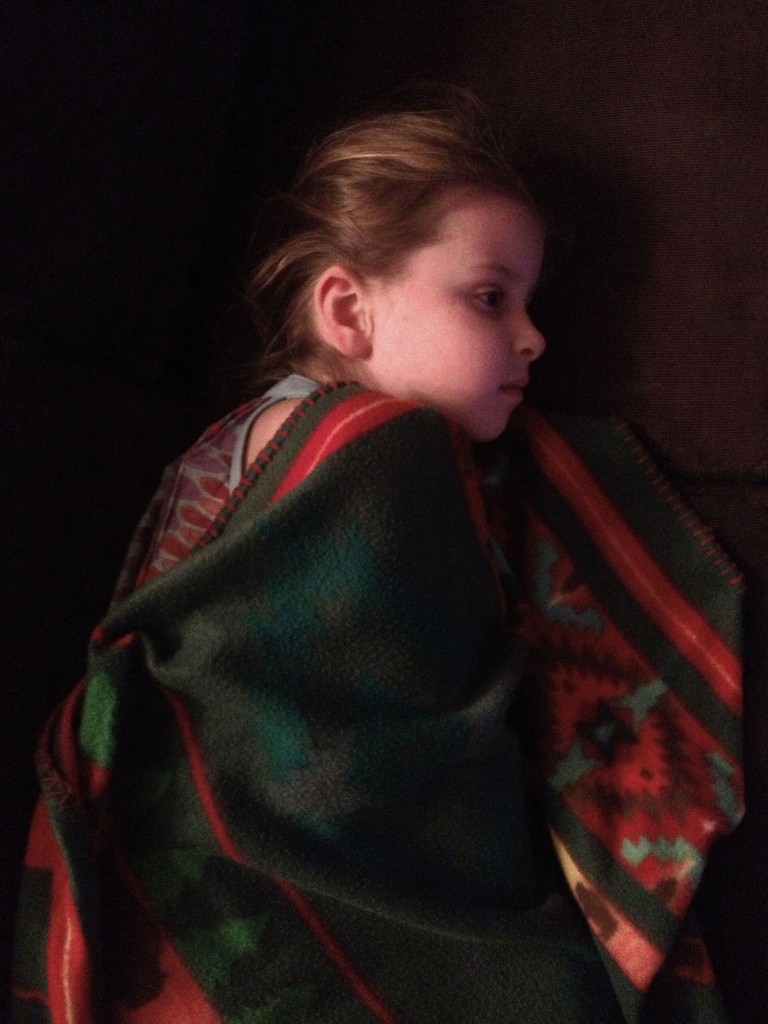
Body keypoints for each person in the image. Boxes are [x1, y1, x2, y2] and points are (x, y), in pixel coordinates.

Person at [12, 93, 744, 1024]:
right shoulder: (386, 448)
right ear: (348, 310)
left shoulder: (221, 443)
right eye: (490, 298)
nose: (534, 338)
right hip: (237, 825)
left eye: (530, 304)